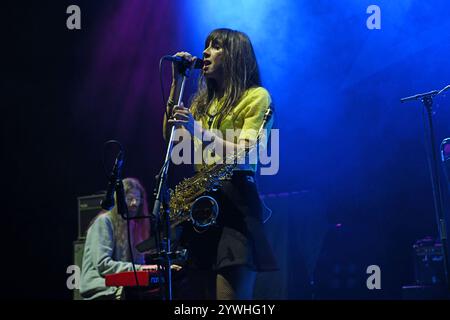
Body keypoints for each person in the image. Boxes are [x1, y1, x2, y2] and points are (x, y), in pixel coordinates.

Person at [163, 28, 278, 300]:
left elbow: (250, 154)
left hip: (235, 204)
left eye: (215, 46)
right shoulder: (202, 103)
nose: (205, 52)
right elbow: (170, 138)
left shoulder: (256, 96)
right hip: (201, 207)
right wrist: (176, 85)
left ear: (235, 55)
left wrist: (199, 131)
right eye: (206, 46)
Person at [80, 177, 153, 300]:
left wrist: (159, 268)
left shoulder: (135, 227)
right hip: (102, 289)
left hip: (123, 287)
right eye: (130, 199)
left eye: (138, 199)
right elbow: (103, 265)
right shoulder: (104, 222)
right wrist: (140, 269)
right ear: (119, 200)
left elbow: (139, 267)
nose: (134, 203)